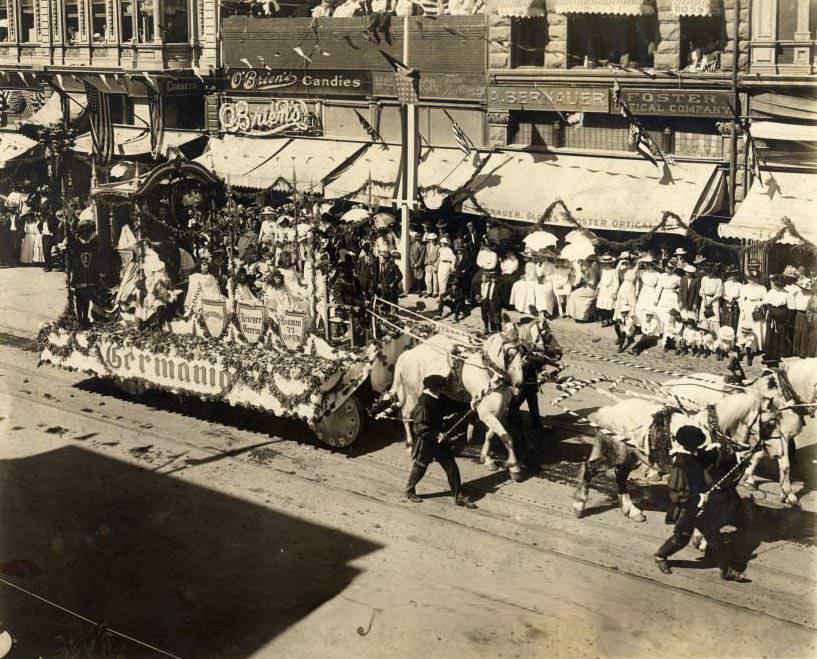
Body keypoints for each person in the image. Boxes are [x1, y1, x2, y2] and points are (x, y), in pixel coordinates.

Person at [654, 425, 751, 581]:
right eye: (698, 443)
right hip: (688, 509)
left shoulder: (694, 454)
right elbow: (677, 494)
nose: (700, 446)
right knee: (681, 539)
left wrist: (737, 455)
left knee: (714, 536)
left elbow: (709, 456)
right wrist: (698, 499)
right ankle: (660, 556)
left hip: (701, 508)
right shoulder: (680, 463)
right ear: (692, 443)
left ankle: (726, 570)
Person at [404, 374, 476, 509]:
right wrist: (435, 435)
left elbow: (455, 405)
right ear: (433, 388)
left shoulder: (439, 397)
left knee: (451, 467)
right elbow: (420, 429)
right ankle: (409, 490)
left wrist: (471, 405)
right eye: (440, 388)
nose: (442, 390)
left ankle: (458, 496)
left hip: (441, 441)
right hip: (427, 442)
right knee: (420, 466)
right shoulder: (424, 404)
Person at [510, 306, 562, 433]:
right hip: (523, 377)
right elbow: (532, 358)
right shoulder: (521, 346)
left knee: (532, 400)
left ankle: (536, 425)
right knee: (518, 402)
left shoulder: (528, 344)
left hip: (530, 377)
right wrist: (554, 364)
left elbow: (537, 355)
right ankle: (515, 424)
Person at [66, 217, 100, 328]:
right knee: (79, 298)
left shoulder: (94, 245)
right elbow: (70, 261)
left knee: (87, 298)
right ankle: (80, 319)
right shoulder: (74, 245)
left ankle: (85, 319)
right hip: (79, 276)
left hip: (90, 276)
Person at [762, 273, 794, 365]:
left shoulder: (787, 294)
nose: (777, 287)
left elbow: (791, 307)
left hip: (781, 315)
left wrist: (787, 319)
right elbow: (766, 302)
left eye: (779, 285)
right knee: (770, 332)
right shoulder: (771, 292)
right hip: (771, 313)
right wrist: (770, 311)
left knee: (780, 333)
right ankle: (769, 352)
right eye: (776, 285)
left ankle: (779, 352)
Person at [737, 263, 767, 352]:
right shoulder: (744, 287)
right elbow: (741, 299)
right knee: (746, 326)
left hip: (757, 307)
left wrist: (760, 304)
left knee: (757, 325)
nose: (752, 281)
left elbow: (765, 299)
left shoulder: (762, 288)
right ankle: (744, 344)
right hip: (747, 306)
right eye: (750, 279)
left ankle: (757, 346)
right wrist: (742, 308)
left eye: (754, 279)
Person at [698, 262, 724, 334]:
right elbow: (701, 291)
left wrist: (711, 301)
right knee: (704, 317)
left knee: (713, 319)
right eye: (707, 272)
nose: (708, 274)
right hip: (705, 300)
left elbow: (719, 293)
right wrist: (704, 299)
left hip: (714, 301)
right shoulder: (704, 279)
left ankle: (714, 337)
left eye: (710, 272)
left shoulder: (718, 280)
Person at [635, 255, 660, 327]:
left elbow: (658, 287)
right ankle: (640, 324)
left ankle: (650, 325)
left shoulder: (657, 274)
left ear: (652, 265)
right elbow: (638, 281)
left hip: (652, 292)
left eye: (649, 264)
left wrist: (656, 298)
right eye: (646, 264)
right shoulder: (642, 272)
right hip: (644, 291)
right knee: (641, 307)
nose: (647, 265)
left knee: (650, 308)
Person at [595, 254, 619, 326]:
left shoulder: (614, 271)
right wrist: (598, 288)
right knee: (602, 305)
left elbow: (616, 282)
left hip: (610, 290)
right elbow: (601, 281)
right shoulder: (603, 271)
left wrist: (614, 292)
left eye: (608, 264)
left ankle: (609, 319)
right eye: (605, 264)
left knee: (608, 306)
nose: (607, 265)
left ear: (611, 264)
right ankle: (603, 319)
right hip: (603, 290)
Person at [720, 266, 742, 332]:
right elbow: (723, 295)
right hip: (727, 303)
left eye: (735, 274)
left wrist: (735, 300)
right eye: (732, 274)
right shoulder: (725, 284)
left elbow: (741, 295)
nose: (733, 276)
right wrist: (729, 299)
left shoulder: (740, 285)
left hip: (735, 304)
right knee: (726, 320)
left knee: (734, 320)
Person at [409, 230, 425, 295]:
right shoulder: (413, 246)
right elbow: (411, 255)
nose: (418, 241)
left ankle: (420, 290)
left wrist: (418, 264)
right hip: (414, 264)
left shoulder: (423, 246)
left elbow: (422, 256)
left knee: (420, 278)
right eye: (417, 239)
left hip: (420, 264)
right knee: (415, 277)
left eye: (419, 240)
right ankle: (416, 290)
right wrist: (413, 263)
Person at [423, 232, 439, 298]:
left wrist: (436, 265)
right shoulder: (427, 245)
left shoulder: (438, 246)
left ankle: (435, 292)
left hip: (435, 264)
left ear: (435, 239)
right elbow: (426, 255)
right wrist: (426, 261)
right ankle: (429, 291)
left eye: (433, 239)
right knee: (427, 279)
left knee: (435, 279)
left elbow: (439, 257)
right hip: (428, 264)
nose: (432, 240)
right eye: (430, 239)